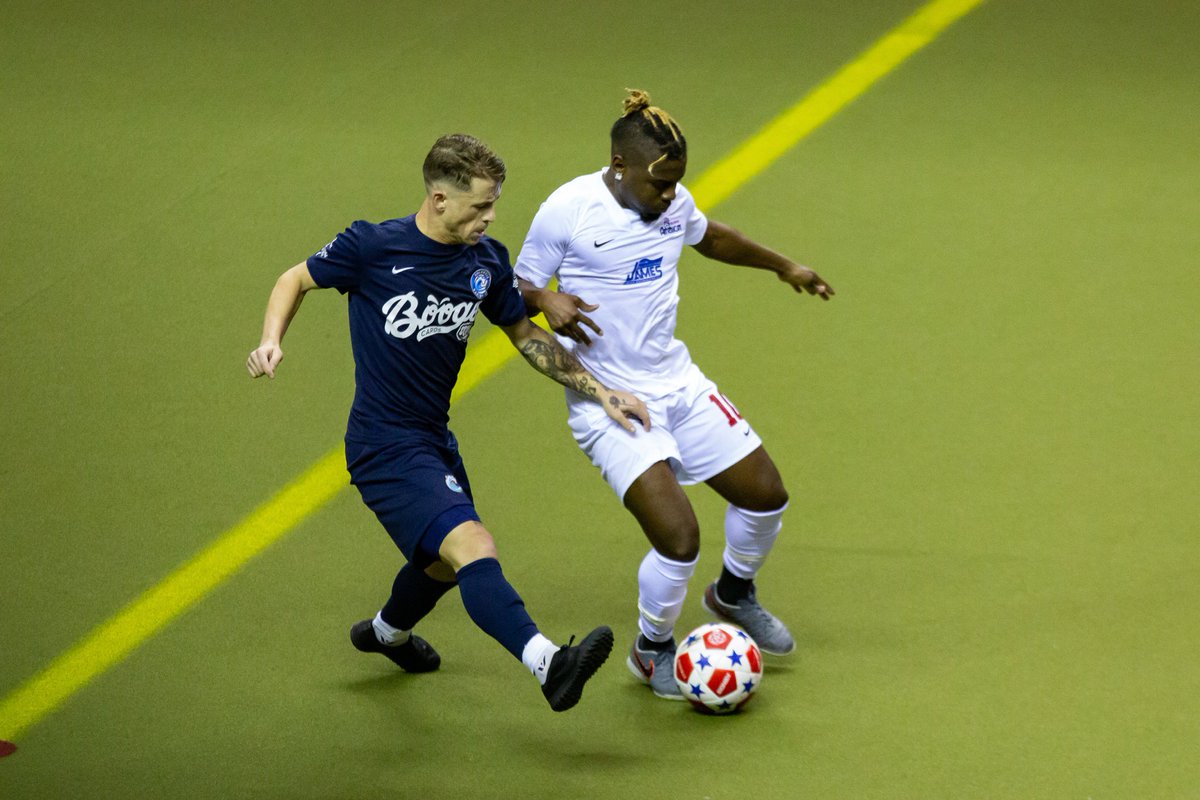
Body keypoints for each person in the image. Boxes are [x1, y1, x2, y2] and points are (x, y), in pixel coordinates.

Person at [246, 133, 652, 712]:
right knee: (472, 545)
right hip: (383, 445)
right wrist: (270, 341)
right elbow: (295, 279)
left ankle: (387, 634)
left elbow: (525, 335)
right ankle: (548, 665)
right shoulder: (372, 247)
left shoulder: (484, 261)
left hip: (435, 438)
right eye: (480, 206)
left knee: (439, 564)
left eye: (494, 205)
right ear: (439, 199)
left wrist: (603, 392)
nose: (490, 217)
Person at [514, 90, 834, 700]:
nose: (670, 197)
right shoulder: (568, 210)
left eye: (677, 185)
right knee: (679, 538)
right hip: (608, 400)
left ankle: (733, 594)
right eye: (659, 185)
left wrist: (782, 265)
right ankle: (651, 649)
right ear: (619, 164)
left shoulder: (671, 200)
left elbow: (711, 237)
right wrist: (543, 297)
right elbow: (509, 286)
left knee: (767, 497)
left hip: (678, 383)